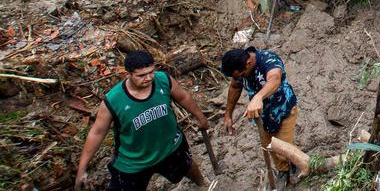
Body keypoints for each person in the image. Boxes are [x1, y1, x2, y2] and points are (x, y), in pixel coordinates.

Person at [74, 50, 209, 190]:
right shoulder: (114, 100)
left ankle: (203, 184)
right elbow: (97, 132)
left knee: (187, 166)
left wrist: (200, 117)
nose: (149, 78)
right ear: (128, 74)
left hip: (170, 146)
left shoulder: (163, 80)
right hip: (133, 162)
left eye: (151, 72)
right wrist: (82, 168)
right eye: (141, 75)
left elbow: (183, 97)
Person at [220, 47, 299, 186]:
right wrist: (228, 115)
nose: (240, 78)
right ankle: (283, 170)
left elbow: (274, 79)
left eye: (241, 75)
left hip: (283, 109)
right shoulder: (239, 71)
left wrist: (258, 97)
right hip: (262, 116)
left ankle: (296, 165)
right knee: (269, 145)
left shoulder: (268, 60)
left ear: (249, 63)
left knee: (284, 145)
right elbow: (235, 87)